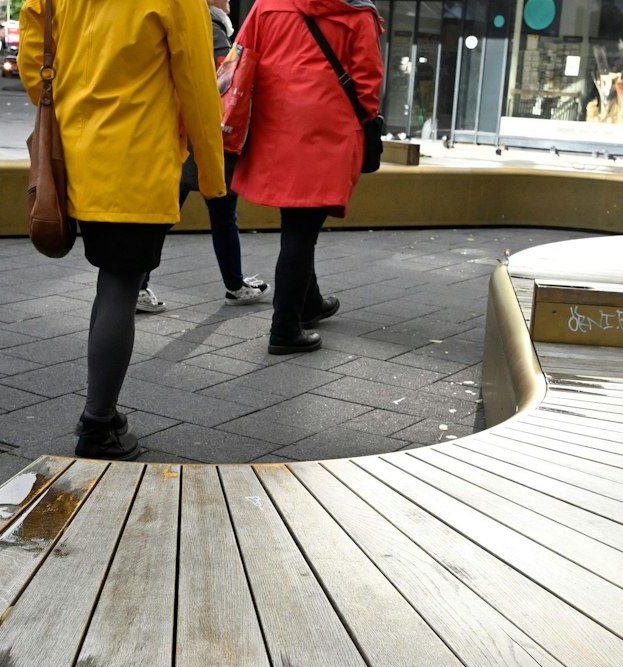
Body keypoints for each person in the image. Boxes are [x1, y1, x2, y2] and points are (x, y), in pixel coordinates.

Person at [20, 0, 227, 460]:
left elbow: (32, 62)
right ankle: (97, 424)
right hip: (136, 157)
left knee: (110, 281)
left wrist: (75, 111)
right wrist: (212, 177)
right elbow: (196, 85)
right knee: (120, 283)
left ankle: (103, 412)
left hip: (73, 156)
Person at [229, 0, 383, 355]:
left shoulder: (268, 5)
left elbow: (240, 59)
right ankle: (284, 327)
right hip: (327, 129)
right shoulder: (357, 12)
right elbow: (367, 83)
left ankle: (309, 303)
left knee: (298, 219)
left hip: (275, 125)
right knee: (301, 228)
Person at [134, 0, 267, 316]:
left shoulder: (182, 19)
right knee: (222, 214)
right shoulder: (210, 26)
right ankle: (234, 286)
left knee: (164, 217)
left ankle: (137, 283)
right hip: (203, 140)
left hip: (176, 136)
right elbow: (224, 80)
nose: (231, 1)